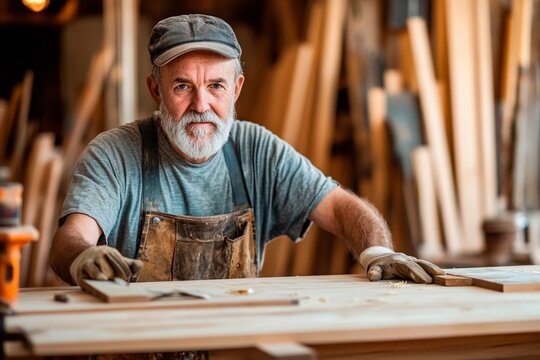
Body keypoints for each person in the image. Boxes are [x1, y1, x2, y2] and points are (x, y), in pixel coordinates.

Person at [50, 14, 443, 290]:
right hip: (136, 346)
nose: (201, 105)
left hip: (234, 346)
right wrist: (82, 258)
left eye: (216, 87)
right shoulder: (115, 154)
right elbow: (71, 238)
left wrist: (376, 251)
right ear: (156, 90)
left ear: (236, 89)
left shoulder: (257, 152)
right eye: (183, 86)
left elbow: (341, 207)